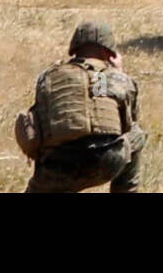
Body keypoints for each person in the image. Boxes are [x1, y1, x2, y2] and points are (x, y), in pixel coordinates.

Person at [20, 20, 146, 193]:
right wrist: (118, 73)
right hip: (107, 160)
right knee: (137, 134)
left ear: (75, 50)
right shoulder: (107, 78)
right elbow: (128, 122)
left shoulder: (50, 76)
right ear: (108, 52)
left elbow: (38, 126)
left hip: (59, 166)